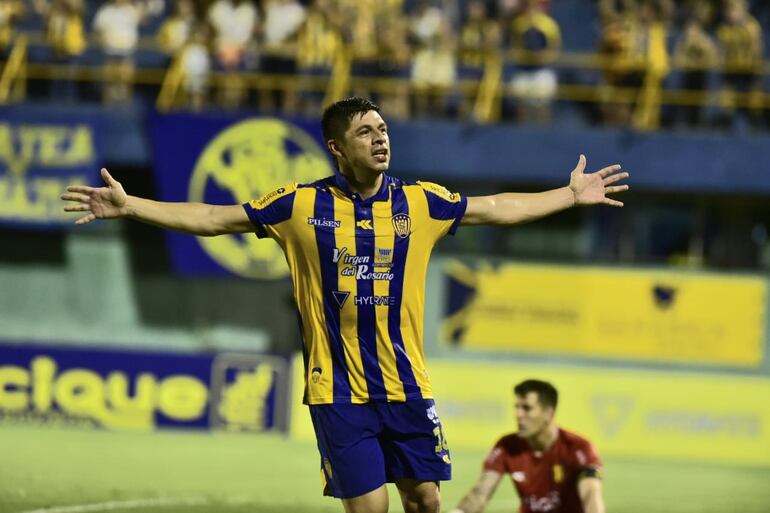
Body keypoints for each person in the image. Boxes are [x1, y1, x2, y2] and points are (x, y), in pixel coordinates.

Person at [61, 97, 627, 513]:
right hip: (336, 391)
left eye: (383, 129)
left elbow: (498, 207)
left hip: (407, 384)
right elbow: (213, 218)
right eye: (365, 132)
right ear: (338, 147)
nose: (380, 138)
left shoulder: (421, 202)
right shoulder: (300, 205)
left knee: (427, 499)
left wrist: (570, 195)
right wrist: (133, 206)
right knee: (370, 510)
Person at [450, 380, 604, 513]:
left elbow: (591, 493)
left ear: (549, 413)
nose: (518, 414)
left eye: (526, 408)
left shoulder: (578, 448)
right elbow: (480, 492)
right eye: (516, 407)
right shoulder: (507, 446)